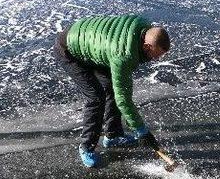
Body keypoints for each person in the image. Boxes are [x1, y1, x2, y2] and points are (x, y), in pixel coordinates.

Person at [54, 14, 171, 167]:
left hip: (95, 45)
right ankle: (86, 147)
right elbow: (123, 99)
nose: (156, 59)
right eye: (155, 55)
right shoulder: (124, 55)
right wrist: (141, 131)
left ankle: (113, 135)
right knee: (96, 97)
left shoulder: (145, 26)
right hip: (69, 49)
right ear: (146, 46)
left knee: (111, 87)